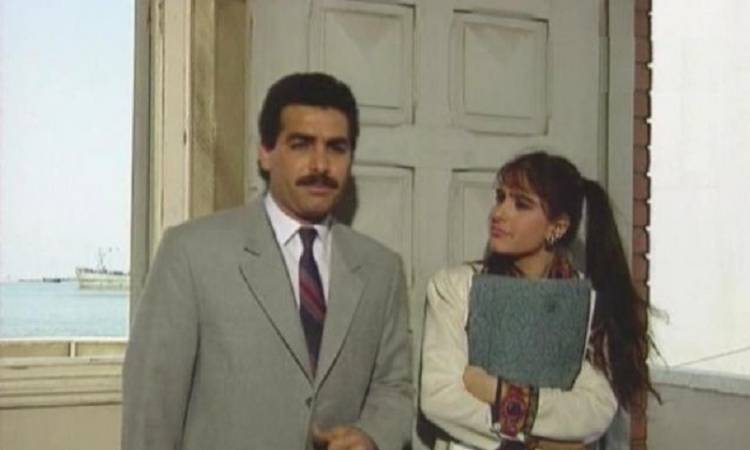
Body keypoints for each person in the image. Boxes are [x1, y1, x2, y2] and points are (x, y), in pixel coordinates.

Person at [123, 72, 413, 450]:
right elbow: (152, 406)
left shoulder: (381, 269)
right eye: (301, 144)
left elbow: (394, 387)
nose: (321, 164)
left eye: (336, 148)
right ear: (265, 152)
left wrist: (373, 436)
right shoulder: (191, 253)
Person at [420, 151, 659, 450]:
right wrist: (539, 443)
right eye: (500, 197)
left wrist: (495, 390)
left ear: (557, 226)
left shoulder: (585, 302)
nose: (499, 213)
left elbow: (592, 410)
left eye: (521, 204)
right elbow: (439, 398)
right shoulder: (455, 287)